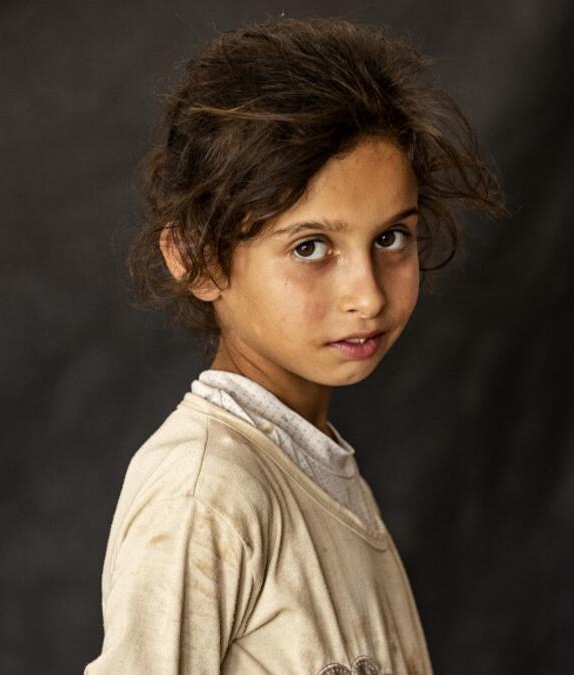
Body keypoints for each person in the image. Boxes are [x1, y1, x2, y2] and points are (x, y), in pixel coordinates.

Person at [85, 17, 504, 675]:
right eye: (311, 247)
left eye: (391, 238)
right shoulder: (206, 492)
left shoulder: (322, 474)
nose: (366, 294)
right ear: (196, 258)